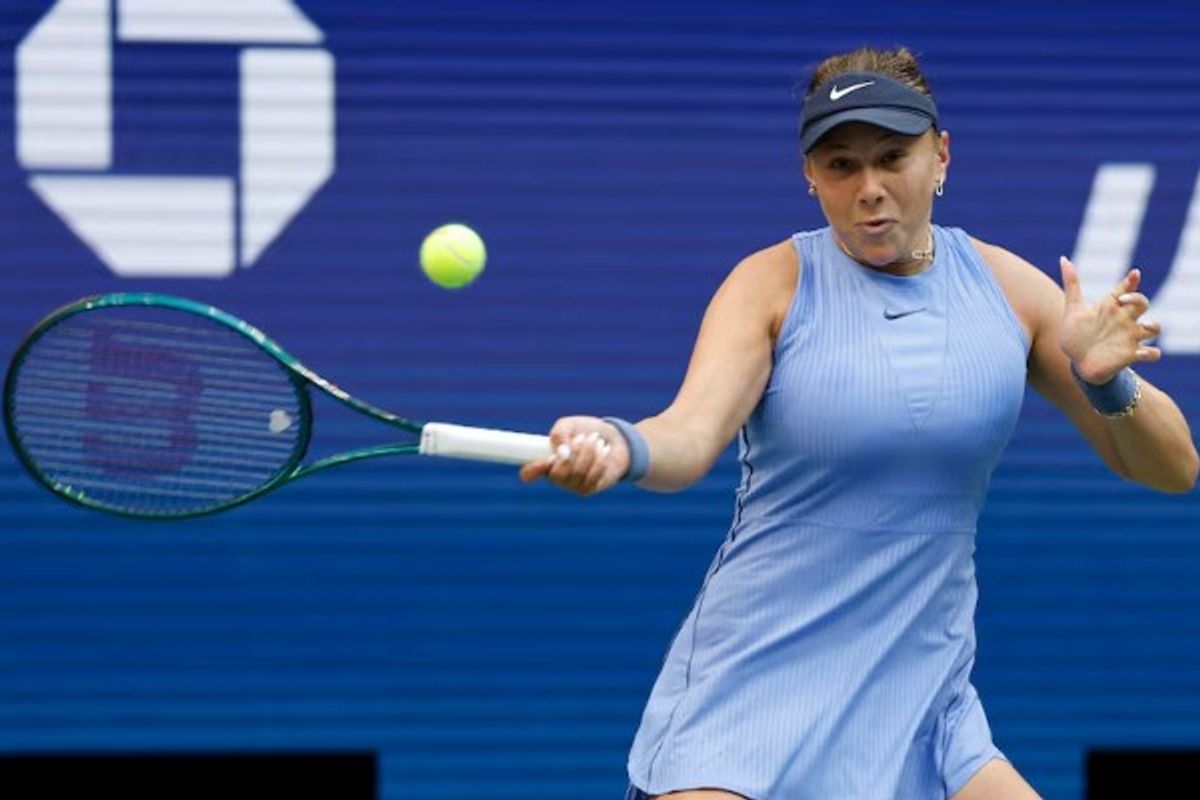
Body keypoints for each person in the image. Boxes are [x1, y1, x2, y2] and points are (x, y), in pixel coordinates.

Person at [519, 45, 1198, 800]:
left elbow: (1173, 469)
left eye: (892, 158)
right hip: (750, 696)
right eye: (841, 165)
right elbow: (688, 437)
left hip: (925, 707)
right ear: (811, 176)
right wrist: (622, 445)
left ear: (940, 156)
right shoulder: (770, 284)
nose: (869, 189)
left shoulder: (1012, 292)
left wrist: (1107, 383)